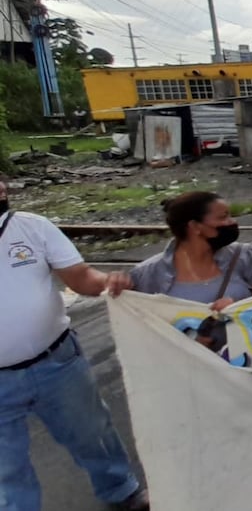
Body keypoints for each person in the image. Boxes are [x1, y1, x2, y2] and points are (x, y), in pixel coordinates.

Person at [0, 180, 150, 510]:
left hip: (56, 361)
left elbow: (80, 278)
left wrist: (107, 282)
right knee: (6, 468)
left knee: (92, 433)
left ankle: (121, 491)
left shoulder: (31, 227)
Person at [128, 192, 252, 309]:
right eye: (223, 217)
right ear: (195, 226)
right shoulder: (147, 274)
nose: (232, 222)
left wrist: (241, 310)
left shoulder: (245, 256)